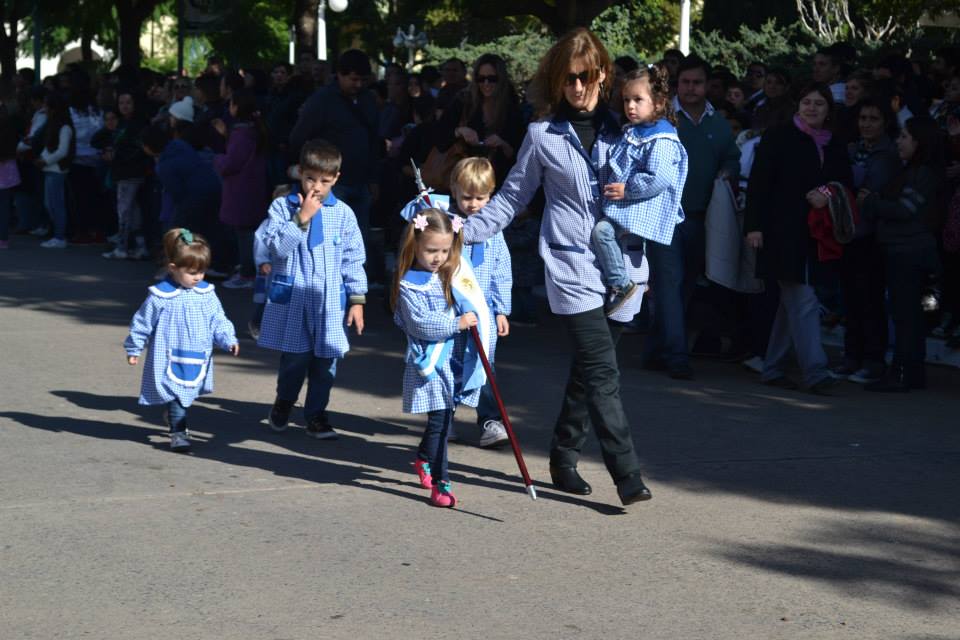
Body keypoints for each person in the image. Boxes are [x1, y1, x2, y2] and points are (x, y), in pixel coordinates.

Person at [462, 27, 652, 506]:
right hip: (572, 266)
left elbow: (662, 182)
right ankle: (627, 473)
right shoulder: (542, 134)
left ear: (603, 74)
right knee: (602, 370)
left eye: (586, 76)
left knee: (589, 370)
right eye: (569, 78)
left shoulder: (628, 130)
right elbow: (512, 198)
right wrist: (460, 232)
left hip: (624, 268)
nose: (578, 87)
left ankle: (563, 457)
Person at [745, 83, 853, 394]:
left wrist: (827, 192)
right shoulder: (778, 136)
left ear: (829, 109)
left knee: (791, 303)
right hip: (780, 233)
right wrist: (754, 227)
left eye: (819, 103)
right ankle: (816, 373)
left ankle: (773, 367)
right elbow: (759, 183)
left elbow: (843, 180)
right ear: (798, 105)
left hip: (816, 235)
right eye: (807, 102)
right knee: (803, 299)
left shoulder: (834, 143)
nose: (812, 108)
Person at [257, 139, 367, 439]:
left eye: (324, 181)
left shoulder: (343, 213)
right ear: (299, 173)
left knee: (326, 362)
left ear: (336, 179)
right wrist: (301, 218)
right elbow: (277, 248)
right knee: (295, 359)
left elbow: (353, 259)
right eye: (310, 178)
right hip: (295, 298)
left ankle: (316, 414)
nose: (316, 187)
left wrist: (357, 300)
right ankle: (284, 401)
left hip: (329, 303)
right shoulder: (282, 207)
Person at [401, 157, 512, 448]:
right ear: (453, 190)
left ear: (491, 195)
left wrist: (502, 309)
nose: (473, 204)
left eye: (481, 198)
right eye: (467, 197)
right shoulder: (444, 222)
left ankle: (490, 420)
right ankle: (445, 418)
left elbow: (502, 269)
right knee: (448, 365)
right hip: (450, 309)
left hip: (483, 312)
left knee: (484, 364)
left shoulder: (493, 228)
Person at [643, 54, 740, 380]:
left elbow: (731, 157)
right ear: (676, 84)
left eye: (697, 82)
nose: (691, 88)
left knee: (683, 287)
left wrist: (727, 171)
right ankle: (677, 356)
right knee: (669, 285)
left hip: (702, 217)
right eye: (685, 82)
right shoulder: (663, 118)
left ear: (707, 85)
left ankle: (657, 349)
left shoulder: (717, 122)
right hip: (665, 216)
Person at [392, 207, 494, 507]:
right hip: (430, 363)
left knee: (445, 417)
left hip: (453, 360)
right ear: (415, 246)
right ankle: (442, 484)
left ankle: (423, 458)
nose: (438, 257)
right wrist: (456, 323)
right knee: (440, 422)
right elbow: (419, 323)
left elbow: (470, 299)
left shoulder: (452, 274)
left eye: (445, 250)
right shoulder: (408, 283)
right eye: (431, 250)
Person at [123, 228, 239, 451]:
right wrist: (134, 348)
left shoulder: (206, 293)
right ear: (173, 268)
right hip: (168, 354)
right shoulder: (160, 296)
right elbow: (142, 322)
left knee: (187, 392)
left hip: (197, 353)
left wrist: (228, 339)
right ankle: (178, 432)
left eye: (202, 271)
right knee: (177, 393)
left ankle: (173, 417)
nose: (198, 277)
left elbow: (218, 319)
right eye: (192, 272)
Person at [860, 117, 945, 391]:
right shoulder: (913, 171)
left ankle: (902, 374)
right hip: (908, 252)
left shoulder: (923, 174)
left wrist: (871, 201)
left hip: (909, 255)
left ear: (920, 142)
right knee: (910, 315)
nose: (899, 141)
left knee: (907, 315)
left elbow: (904, 210)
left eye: (905, 137)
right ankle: (911, 373)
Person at [598, 63, 688, 316]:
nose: (630, 106)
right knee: (630, 248)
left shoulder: (661, 138)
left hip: (639, 207)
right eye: (626, 99)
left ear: (658, 103)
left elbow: (660, 177)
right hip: (630, 205)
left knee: (602, 233)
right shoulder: (637, 131)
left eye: (638, 99)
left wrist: (627, 190)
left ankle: (621, 283)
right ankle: (637, 282)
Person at [833, 98, 901, 384]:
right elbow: (843, 187)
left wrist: (858, 193)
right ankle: (852, 356)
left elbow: (873, 191)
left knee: (870, 300)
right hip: (849, 233)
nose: (867, 124)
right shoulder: (852, 149)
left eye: (873, 119)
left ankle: (873, 360)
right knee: (850, 299)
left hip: (874, 236)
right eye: (863, 118)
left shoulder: (889, 154)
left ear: (885, 122)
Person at [287, 49, 380, 247]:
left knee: (358, 240)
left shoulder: (368, 100)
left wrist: (373, 179)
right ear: (340, 74)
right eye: (353, 79)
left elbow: (374, 140)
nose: (358, 84)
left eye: (363, 80)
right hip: (331, 183)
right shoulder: (321, 100)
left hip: (362, 182)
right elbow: (297, 138)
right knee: (328, 239)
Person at [435, 53, 526, 187]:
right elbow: (439, 137)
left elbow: (520, 153)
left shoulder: (511, 106)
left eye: (492, 79)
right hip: (464, 179)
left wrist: (502, 144)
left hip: (499, 182)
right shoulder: (464, 101)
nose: (486, 83)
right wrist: (460, 131)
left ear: (501, 79)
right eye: (481, 78)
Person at [212, 89, 269, 289]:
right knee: (250, 232)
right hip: (254, 187)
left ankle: (247, 273)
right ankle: (249, 269)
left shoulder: (241, 133)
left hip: (241, 189)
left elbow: (231, 163)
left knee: (244, 233)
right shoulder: (255, 130)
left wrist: (217, 159)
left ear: (236, 107)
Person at [100, 90, 151, 260]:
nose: (124, 106)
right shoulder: (121, 123)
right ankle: (140, 246)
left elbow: (136, 149)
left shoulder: (138, 124)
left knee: (124, 211)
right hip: (124, 172)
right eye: (121, 102)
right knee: (133, 211)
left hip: (130, 172)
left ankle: (122, 247)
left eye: (128, 102)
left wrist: (117, 156)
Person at [38, 93, 75, 249]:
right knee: (50, 204)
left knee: (56, 204)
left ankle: (60, 236)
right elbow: (50, 147)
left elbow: (62, 151)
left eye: (46, 105)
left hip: (57, 170)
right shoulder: (53, 125)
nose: (44, 108)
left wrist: (45, 160)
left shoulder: (64, 127)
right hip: (50, 169)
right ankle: (57, 234)